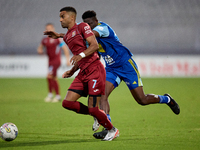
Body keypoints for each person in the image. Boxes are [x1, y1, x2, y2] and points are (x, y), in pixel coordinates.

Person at [81, 10, 180, 139]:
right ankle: (108, 128)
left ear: (95, 21)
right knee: (102, 94)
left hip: (126, 66)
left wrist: (71, 34)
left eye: (90, 24)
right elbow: (97, 53)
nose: (88, 27)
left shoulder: (102, 28)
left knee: (142, 100)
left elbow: (90, 34)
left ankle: (167, 99)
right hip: (112, 68)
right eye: (86, 25)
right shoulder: (91, 37)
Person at [43, 6, 119, 141]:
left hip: (95, 70)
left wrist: (81, 55)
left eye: (63, 16)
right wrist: (72, 71)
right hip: (83, 72)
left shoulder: (83, 26)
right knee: (67, 103)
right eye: (59, 17)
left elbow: (94, 45)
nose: (60, 20)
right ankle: (96, 115)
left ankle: (112, 130)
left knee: (93, 108)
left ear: (72, 17)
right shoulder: (67, 36)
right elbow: (71, 39)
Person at [37, 23, 71, 102]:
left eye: (50, 28)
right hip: (50, 61)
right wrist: (40, 50)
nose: (49, 30)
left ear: (53, 29)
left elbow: (65, 49)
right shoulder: (44, 40)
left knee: (50, 76)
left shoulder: (57, 39)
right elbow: (40, 48)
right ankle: (52, 95)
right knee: (51, 77)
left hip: (56, 61)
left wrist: (67, 60)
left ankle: (55, 96)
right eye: (47, 29)